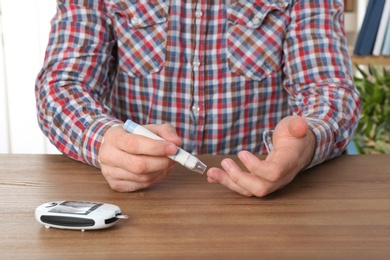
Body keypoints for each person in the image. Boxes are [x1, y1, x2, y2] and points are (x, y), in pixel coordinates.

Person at [35, 0, 361, 197]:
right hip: (136, 204)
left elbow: (329, 89)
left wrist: (304, 143)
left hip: (266, 201)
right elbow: (62, 86)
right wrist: (103, 139)